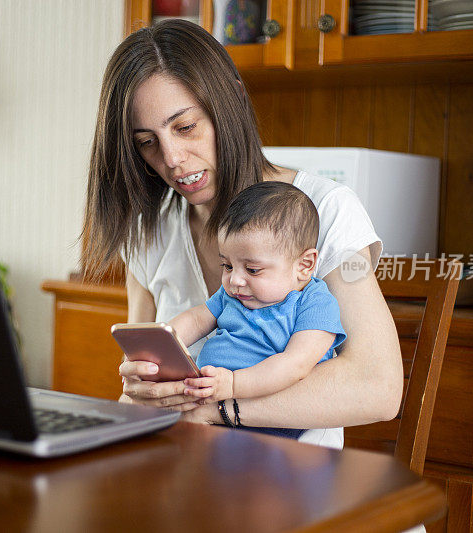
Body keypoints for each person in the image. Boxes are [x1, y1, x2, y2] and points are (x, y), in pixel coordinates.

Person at [81, 19, 402, 448]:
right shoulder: (148, 230)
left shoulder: (326, 209)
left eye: (186, 127)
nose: (172, 159)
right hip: (187, 478)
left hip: (297, 485)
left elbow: (378, 387)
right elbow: (140, 390)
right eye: (147, 142)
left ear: (232, 96)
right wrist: (138, 394)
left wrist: (217, 408)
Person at [167, 181, 346, 439]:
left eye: (252, 270)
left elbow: (296, 365)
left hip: (265, 425)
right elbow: (197, 319)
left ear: (304, 265)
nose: (235, 280)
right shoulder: (235, 294)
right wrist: (164, 339)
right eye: (227, 266)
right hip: (209, 407)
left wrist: (232, 384)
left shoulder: (315, 303)